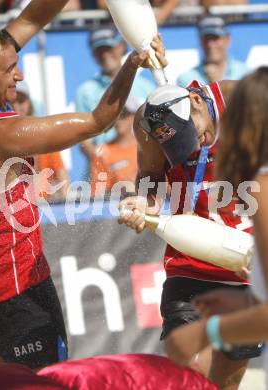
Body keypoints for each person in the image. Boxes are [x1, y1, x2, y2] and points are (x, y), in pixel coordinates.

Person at [0, 0, 159, 371]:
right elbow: (97, 120)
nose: (19, 76)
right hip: (13, 287)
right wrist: (134, 62)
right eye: (10, 70)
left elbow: (30, 17)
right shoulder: (0, 134)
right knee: (44, 381)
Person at [118, 50, 262, 388]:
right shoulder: (149, 124)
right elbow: (150, 176)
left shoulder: (247, 104)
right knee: (190, 372)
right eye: (181, 146)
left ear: (197, 101)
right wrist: (143, 202)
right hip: (190, 260)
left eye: (193, 135)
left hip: (246, 261)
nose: (194, 145)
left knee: (225, 381)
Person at [164, 66, 268, 388]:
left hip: (238, 269)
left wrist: (205, 332)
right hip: (202, 269)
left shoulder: (261, 189)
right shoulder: (155, 123)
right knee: (194, 378)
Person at [75, 26, 154, 179]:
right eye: (99, 50)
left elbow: (155, 133)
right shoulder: (85, 91)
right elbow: (83, 140)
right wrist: (109, 169)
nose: (104, 54)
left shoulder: (145, 87)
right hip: (105, 173)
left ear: (121, 47)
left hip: (144, 167)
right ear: (93, 54)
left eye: (108, 47)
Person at [13, 80, 69, 202]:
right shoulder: (2, 141)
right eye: (13, 102)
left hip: (41, 210)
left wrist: (61, 202)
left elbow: (63, 180)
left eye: (21, 101)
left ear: (29, 104)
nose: (18, 106)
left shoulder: (45, 142)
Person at [177, 16, 248, 87]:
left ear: (227, 40)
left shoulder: (245, 74)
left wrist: (218, 84)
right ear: (200, 42)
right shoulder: (186, 79)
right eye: (206, 39)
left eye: (215, 38)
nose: (210, 44)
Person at [90, 96, 139, 197]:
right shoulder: (102, 151)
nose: (119, 120)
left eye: (124, 115)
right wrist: (119, 189)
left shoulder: (148, 147)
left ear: (134, 116)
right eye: (115, 115)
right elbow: (97, 193)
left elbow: (165, 186)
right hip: (116, 207)